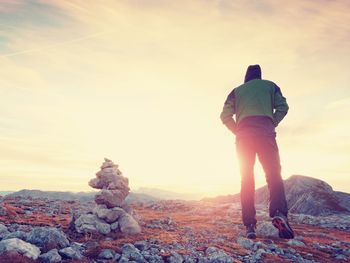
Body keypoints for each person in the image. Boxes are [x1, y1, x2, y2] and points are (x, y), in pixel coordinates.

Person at [220, 64, 294, 239]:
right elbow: (283, 107)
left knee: (247, 179)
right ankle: (279, 213)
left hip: (244, 137)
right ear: (260, 76)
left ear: (246, 77)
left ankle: (250, 225)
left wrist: (238, 130)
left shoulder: (236, 91)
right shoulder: (270, 86)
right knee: (273, 174)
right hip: (266, 134)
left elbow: (225, 115)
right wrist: (271, 123)